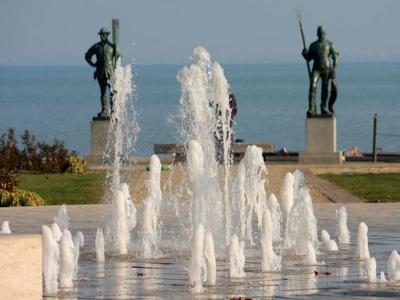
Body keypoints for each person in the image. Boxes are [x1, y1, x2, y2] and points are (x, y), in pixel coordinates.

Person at [302, 26, 339, 117]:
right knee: (312, 86)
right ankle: (311, 108)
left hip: (326, 68)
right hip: (316, 68)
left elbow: (335, 57)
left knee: (325, 88)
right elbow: (308, 58)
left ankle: (323, 107)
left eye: (323, 33)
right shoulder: (313, 45)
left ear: (325, 34)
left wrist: (334, 69)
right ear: (317, 34)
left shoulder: (330, 44)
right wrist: (304, 53)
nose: (321, 35)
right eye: (320, 33)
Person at [85, 27, 121, 118]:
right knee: (103, 92)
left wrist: (117, 69)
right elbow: (87, 55)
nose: (103, 36)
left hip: (110, 72)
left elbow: (119, 57)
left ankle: (113, 111)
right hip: (100, 72)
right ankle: (104, 110)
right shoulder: (97, 46)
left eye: (104, 34)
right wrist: (93, 64)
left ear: (107, 35)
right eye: (101, 35)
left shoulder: (112, 47)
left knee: (113, 92)